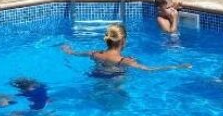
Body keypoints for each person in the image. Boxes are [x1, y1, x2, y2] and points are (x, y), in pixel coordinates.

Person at [62, 23, 191, 78]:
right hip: (115, 86)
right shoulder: (125, 61)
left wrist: (67, 48)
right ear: (123, 41)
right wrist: (178, 66)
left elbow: (72, 53)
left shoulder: (94, 54)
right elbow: (150, 70)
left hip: (96, 78)